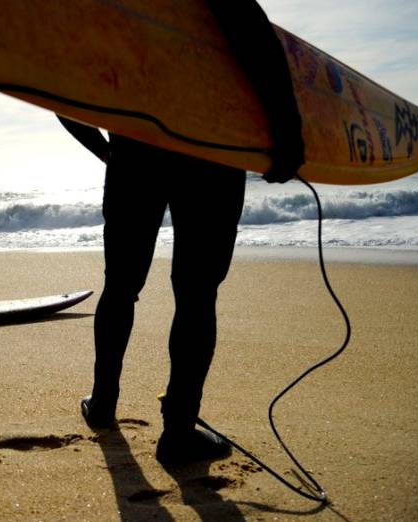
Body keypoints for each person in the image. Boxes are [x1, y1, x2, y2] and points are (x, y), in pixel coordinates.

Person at [62, 0, 304, 466]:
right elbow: (258, 45)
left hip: (136, 150)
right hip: (209, 149)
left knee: (121, 285)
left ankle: (103, 403)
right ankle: (177, 432)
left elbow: (60, 85)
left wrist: (108, 152)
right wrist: (286, 138)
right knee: (196, 295)